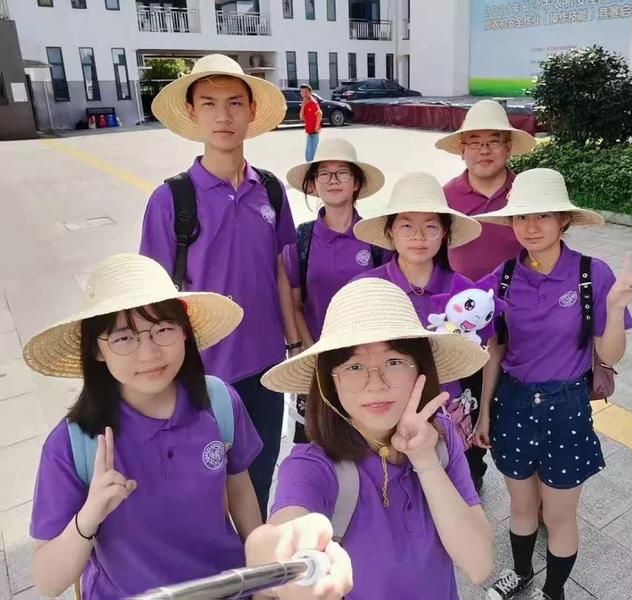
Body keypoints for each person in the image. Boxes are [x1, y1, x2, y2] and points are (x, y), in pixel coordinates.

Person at [24, 254, 263, 599]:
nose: (149, 353)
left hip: (228, 590)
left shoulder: (221, 403)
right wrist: (89, 516)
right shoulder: (72, 444)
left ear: (184, 332)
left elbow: (239, 489)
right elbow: (47, 581)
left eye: (163, 329)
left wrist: (260, 576)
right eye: (124, 337)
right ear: (96, 350)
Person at [473, 169, 632, 600]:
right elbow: (494, 349)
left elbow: (609, 355)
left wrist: (615, 307)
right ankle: (520, 573)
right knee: (520, 507)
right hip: (513, 403)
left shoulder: (592, 274)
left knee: (558, 515)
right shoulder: (503, 277)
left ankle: (554, 591)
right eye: (521, 217)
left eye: (543, 216)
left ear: (564, 220)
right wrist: (484, 413)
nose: (530, 227)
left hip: (566, 407)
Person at [254, 278, 493, 599]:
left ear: (420, 369)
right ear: (329, 382)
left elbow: (479, 564)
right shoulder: (311, 466)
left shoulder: (440, 436)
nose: (376, 383)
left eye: (394, 362)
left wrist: (425, 460)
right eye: (354, 366)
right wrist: (285, 553)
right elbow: (281, 539)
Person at [141, 54, 298, 519]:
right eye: (209, 103)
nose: (223, 115)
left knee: (260, 476)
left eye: (234, 102)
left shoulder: (271, 191)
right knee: (203, 488)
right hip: (200, 373)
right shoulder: (171, 199)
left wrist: (294, 344)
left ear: (252, 111)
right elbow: (152, 299)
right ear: (192, 113)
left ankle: (255, 557)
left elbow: (280, 271)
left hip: (265, 369)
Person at [436, 99, 537, 491]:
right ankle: (471, 476)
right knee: (468, 402)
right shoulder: (445, 197)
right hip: (464, 330)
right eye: (474, 142)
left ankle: (535, 488)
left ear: (508, 148)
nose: (484, 150)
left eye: (494, 141)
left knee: (524, 406)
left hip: (525, 325)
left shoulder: (526, 194)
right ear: (462, 149)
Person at [352, 172, 483, 447]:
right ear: (390, 231)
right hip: (383, 412)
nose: (419, 237)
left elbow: (478, 353)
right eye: (406, 226)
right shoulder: (366, 288)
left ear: (444, 232)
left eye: (431, 227)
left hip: (448, 409)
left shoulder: (466, 293)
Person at [282, 137, 387, 443]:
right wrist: (311, 352)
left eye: (342, 172)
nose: (333, 180)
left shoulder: (376, 238)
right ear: (313, 185)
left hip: (369, 364)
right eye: (324, 174)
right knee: (316, 443)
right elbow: (295, 303)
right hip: (317, 361)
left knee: (367, 444)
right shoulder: (302, 239)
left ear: (357, 183)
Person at [300, 84, 323, 162]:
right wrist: (303, 105)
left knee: (311, 158)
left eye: (306, 92)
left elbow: (319, 114)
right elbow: (301, 117)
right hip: (309, 132)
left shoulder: (313, 103)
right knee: (308, 157)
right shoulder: (306, 102)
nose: (304, 94)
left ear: (310, 92)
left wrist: (316, 127)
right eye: (302, 92)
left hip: (314, 133)